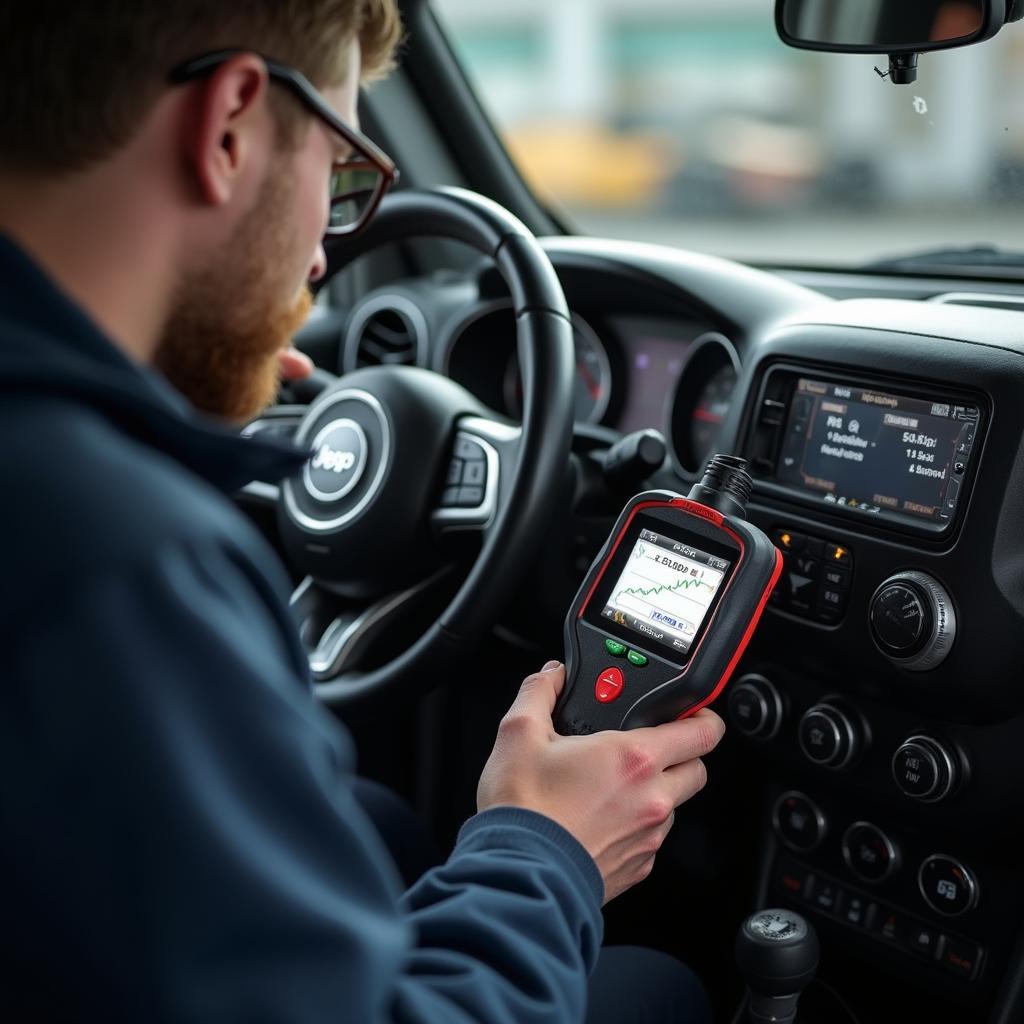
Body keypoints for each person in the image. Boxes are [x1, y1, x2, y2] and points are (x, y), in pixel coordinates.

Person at [0, 2, 723, 1021]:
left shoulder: (76, 485)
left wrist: (163, 428)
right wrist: (545, 847)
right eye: (340, 176)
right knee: (658, 988)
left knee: (378, 822)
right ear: (231, 126)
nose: (321, 257)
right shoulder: (118, 564)